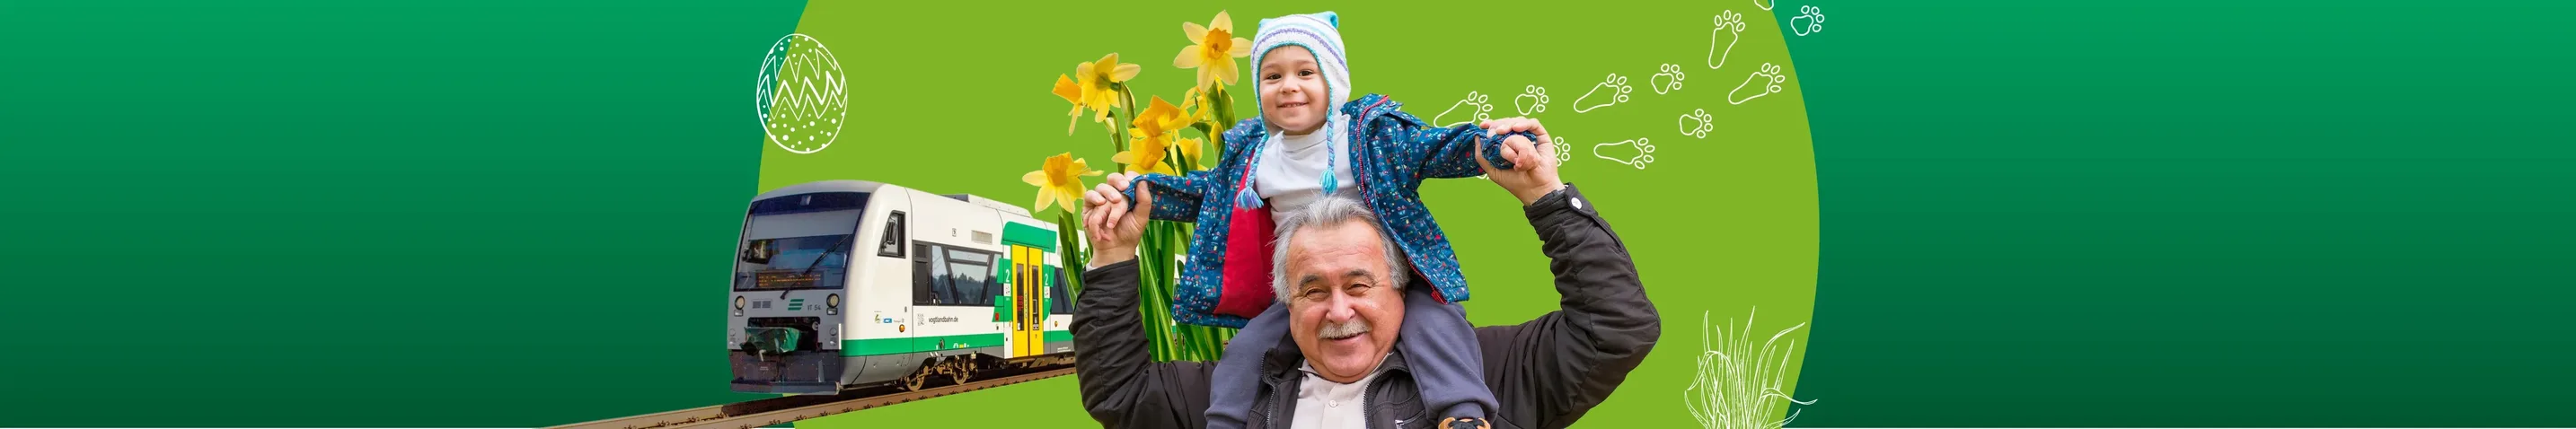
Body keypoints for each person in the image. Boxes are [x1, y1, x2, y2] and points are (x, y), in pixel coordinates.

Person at [1119, 11, 1544, 428]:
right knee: (1248, 347)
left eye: (1306, 72)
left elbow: (1434, 147)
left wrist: (1493, 146)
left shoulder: (1368, 136)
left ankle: (1463, 415)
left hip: (1384, 278)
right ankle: (1226, 423)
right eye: (1272, 77)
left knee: (1438, 326)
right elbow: (1204, 195)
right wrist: (1135, 194)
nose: (1288, 87)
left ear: (1334, 81)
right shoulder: (1256, 155)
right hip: (1308, 288)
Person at [1073, 131, 1659, 429]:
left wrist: (1544, 197)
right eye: (1312, 290)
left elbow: (1616, 328)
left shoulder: (1487, 376)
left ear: (1400, 286)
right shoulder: (1235, 390)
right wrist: (1114, 255)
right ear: (1284, 302)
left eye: (1359, 286)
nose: (1338, 310)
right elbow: (1120, 396)